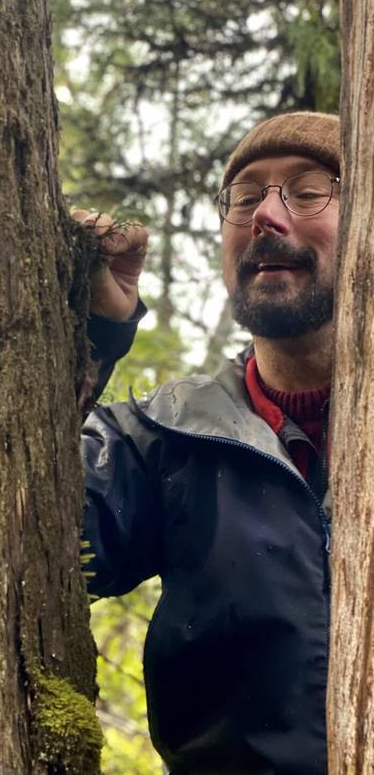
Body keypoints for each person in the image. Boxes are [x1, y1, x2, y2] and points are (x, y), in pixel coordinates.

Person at [79, 111, 340, 775]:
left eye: (307, 191)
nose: (266, 217)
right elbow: (19, 518)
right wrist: (93, 335)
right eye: (246, 197)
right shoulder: (166, 437)